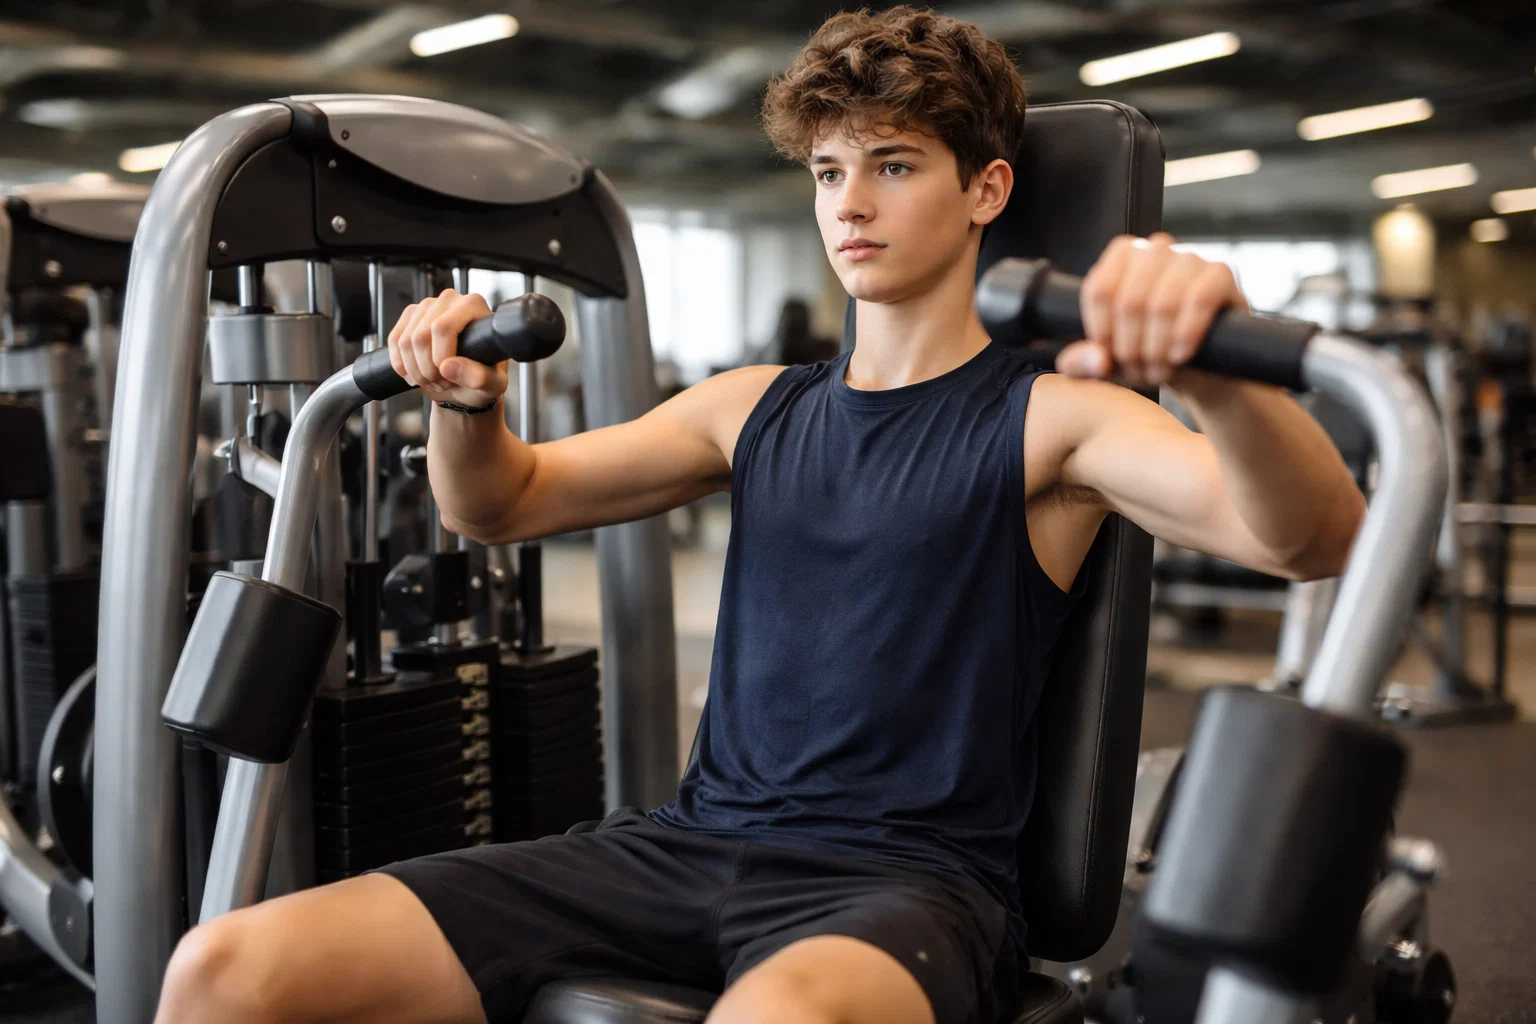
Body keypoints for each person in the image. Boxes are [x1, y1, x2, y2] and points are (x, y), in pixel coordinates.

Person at [153, 8, 1365, 1024]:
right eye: (832, 171)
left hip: (906, 889)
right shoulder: (753, 408)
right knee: (224, 970)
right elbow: (499, 506)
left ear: (986, 186)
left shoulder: (1055, 420)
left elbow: (1312, 541)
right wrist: (467, 405)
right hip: (684, 848)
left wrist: (1213, 370)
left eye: (894, 164)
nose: (853, 204)